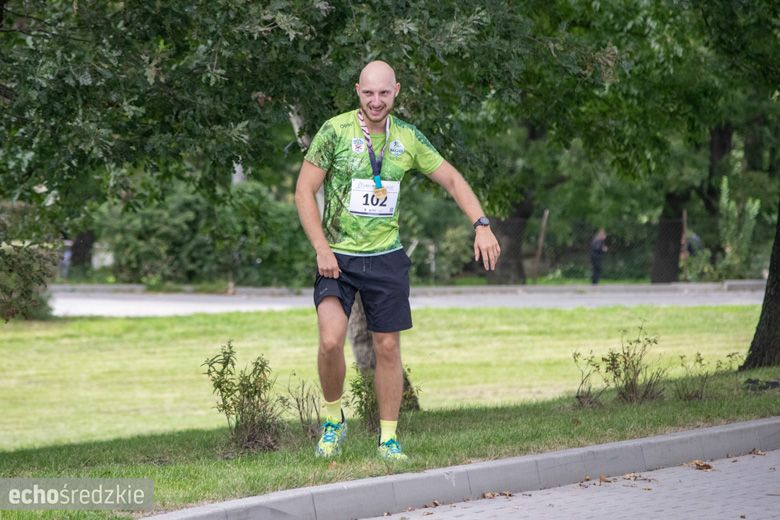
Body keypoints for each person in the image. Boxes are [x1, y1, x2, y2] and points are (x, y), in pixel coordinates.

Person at [294, 60, 501, 461]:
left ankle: (388, 439)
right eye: (368, 93)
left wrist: (481, 223)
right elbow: (304, 191)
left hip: (386, 258)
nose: (376, 100)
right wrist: (321, 247)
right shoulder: (334, 131)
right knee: (330, 339)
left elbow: (453, 179)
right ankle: (333, 421)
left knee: (387, 347)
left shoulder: (407, 138)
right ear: (357, 91)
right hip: (336, 257)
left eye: (384, 93)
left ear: (396, 92)